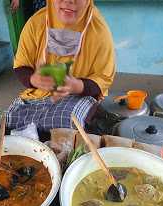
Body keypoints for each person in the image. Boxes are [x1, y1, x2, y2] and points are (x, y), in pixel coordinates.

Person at [7, 0, 115, 132]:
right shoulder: (36, 22)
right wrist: (33, 79)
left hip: (77, 97)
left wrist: (76, 86)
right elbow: (21, 66)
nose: (69, 1)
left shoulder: (99, 31)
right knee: (8, 119)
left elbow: (103, 79)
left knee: (68, 122)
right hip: (36, 96)